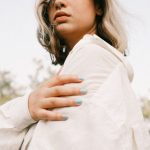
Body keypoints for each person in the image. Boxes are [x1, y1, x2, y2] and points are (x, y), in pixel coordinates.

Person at [0, 0, 150, 149]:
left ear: (98, 6)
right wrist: (27, 107)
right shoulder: (77, 66)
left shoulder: (92, 56)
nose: (58, 3)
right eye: (51, 0)